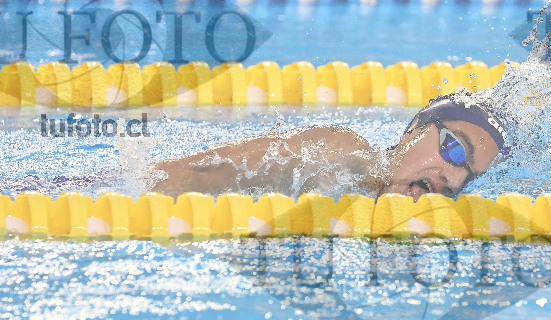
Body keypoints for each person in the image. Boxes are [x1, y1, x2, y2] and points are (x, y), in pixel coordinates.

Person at [150, 91, 507, 201]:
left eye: (468, 176)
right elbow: (189, 173)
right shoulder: (336, 154)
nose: (451, 179)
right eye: (454, 150)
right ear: (411, 132)